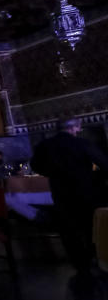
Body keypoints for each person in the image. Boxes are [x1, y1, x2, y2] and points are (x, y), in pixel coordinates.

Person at [31, 118, 108, 282]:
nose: (79, 130)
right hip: (87, 191)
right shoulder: (82, 143)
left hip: (61, 192)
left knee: (68, 229)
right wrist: (96, 177)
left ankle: (80, 264)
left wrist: (54, 174)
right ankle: (95, 258)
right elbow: (103, 163)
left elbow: (36, 166)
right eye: (78, 127)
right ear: (73, 128)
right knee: (90, 227)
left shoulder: (45, 145)